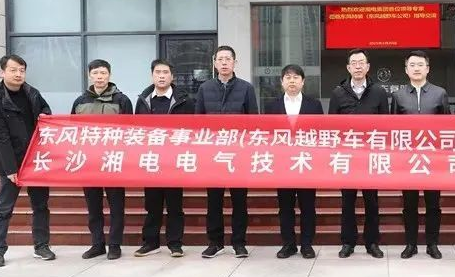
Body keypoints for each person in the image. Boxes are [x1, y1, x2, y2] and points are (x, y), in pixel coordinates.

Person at [0, 55, 55, 267]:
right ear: (3, 72)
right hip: (12, 163)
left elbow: (47, 113)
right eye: (13, 70)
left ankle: (41, 245)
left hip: (36, 159)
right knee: (4, 208)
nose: (18, 74)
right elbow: (0, 138)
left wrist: (45, 116)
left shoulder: (33, 94)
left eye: (22, 70)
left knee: (41, 205)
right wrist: (10, 169)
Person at [196, 45, 259, 259]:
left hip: (238, 154)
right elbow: (198, 122)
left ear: (234, 62)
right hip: (213, 154)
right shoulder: (204, 88)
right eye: (220, 59)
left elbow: (253, 121)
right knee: (213, 201)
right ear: (214, 63)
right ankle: (215, 242)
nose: (224, 62)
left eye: (228, 59)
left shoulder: (246, 88)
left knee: (239, 201)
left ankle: (239, 243)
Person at [328, 48, 390, 258]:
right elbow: (332, 127)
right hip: (347, 157)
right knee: (348, 202)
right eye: (354, 63)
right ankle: (348, 242)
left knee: (372, 202)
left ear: (368, 66)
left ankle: (372, 242)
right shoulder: (338, 93)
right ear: (348, 67)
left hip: (371, 156)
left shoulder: (379, 92)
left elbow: (386, 124)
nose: (357, 66)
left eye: (361, 62)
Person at [71, 59, 133, 260]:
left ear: (109, 75)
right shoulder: (80, 102)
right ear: (89, 75)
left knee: (116, 206)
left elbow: (130, 131)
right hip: (89, 162)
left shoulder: (122, 100)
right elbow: (73, 131)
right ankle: (97, 244)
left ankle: (114, 245)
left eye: (103, 73)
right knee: (93, 206)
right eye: (96, 73)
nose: (99, 77)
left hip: (113, 160)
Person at [390, 50, 450, 259]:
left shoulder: (440, 93)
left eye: (420, 65)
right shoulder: (398, 95)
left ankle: (432, 244)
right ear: (406, 70)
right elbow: (393, 128)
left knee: (433, 204)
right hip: (408, 159)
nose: (416, 68)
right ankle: (411, 244)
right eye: (412, 65)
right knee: (409, 204)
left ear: (427, 68)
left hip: (433, 159)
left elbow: (447, 126)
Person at [133, 59, 195, 258]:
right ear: (152, 75)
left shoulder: (184, 101)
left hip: (174, 160)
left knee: (175, 205)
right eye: (158, 72)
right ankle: (150, 242)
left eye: (165, 72)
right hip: (151, 159)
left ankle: (175, 243)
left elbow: (193, 130)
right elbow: (136, 130)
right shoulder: (143, 100)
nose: (161, 76)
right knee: (152, 205)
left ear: (172, 76)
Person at [263, 64, 324, 259]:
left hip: (306, 163)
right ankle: (288, 244)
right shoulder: (272, 106)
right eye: (288, 77)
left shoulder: (314, 105)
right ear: (281, 82)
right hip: (282, 165)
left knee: (308, 207)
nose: (292, 81)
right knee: (285, 207)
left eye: (296, 77)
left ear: (303, 82)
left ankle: (307, 244)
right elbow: (266, 135)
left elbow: (320, 134)